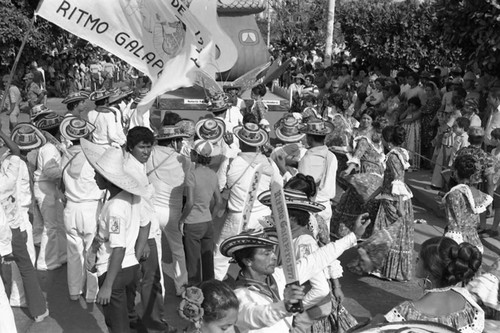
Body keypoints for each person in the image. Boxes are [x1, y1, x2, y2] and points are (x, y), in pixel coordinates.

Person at [219, 214, 370, 333]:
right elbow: (259, 316)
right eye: (266, 254)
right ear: (248, 261)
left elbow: (316, 259)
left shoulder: (278, 276)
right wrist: (286, 306)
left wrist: (353, 236)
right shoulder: (239, 296)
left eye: (272, 251)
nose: (273, 257)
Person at [259, 176, 357, 333]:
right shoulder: (290, 235)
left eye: (275, 213)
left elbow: (321, 286)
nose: (271, 216)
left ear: (289, 217)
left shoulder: (304, 240)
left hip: (309, 308)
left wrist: (294, 309)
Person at [81, 139, 150, 333]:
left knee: (117, 325)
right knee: (129, 316)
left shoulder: (114, 208)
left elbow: (118, 249)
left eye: (98, 174)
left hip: (114, 271)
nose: (94, 177)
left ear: (107, 179)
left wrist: (107, 286)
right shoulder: (132, 196)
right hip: (130, 268)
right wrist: (135, 254)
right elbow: (146, 224)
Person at [384, 237, 483, 333]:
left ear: (430, 269)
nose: (416, 261)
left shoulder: (406, 313)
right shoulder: (468, 306)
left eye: (419, 259)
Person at [1, 123, 49, 321]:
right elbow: (15, 150)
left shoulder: (7, 167)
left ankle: (13, 299)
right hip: (14, 225)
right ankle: (38, 311)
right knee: (26, 267)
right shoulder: (8, 173)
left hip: (12, 224)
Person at [123, 126, 168, 332]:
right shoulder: (132, 171)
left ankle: (135, 318)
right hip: (144, 234)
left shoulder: (136, 166)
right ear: (131, 147)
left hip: (144, 231)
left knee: (140, 280)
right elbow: (140, 208)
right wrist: (146, 241)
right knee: (150, 280)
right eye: (142, 147)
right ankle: (154, 323)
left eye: (149, 147)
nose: (146, 152)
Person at [214, 122, 272, 280]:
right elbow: (277, 188)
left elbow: (219, 185)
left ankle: (216, 288)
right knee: (261, 254)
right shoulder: (269, 163)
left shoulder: (231, 162)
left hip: (238, 216)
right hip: (264, 216)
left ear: (240, 140)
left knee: (221, 253)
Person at [361, 125, 414, 281]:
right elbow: (389, 180)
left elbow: (398, 180)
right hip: (392, 197)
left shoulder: (392, 157)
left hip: (393, 201)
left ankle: (384, 269)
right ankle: (388, 269)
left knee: (384, 233)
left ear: (387, 140)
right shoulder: (399, 154)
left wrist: (401, 207)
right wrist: (373, 195)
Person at [146, 123, 192, 296]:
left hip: (152, 209)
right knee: (178, 249)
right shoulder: (184, 161)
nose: (181, 144)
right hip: (173, 211)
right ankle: (182, 287)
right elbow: (189, 188)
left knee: (156, 252)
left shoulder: (149, 154)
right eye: (179, 140)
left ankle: (160, 290)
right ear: (173, 142)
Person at [59, 116, 102, 302]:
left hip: (71, 208)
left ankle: (74, 291)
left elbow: (59, 183)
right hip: (91, 209)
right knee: (93, 253)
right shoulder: (94, 156)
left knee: (74, 253)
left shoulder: (65, 155)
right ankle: (92, 294)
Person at [179, 140, 222, 285]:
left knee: (193, 264)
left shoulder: (191, 174)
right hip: (207, 222)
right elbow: (219, 202)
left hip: (192, 223)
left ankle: (194, 296)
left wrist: (182, 220)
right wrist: (211, 216)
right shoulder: (212, 174)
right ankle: (210, 293)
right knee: (207, 262)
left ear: (195, 155)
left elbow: (190, 202)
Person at [32, 112, 67, 271]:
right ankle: (46, 262)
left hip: (49, 187)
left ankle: (60, 255)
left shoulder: (50, 146)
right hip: (46, 187)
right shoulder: (50, 148)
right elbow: (50, 170)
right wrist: (66, 177)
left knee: (58, 224)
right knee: (51, 227)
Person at [442, 154, 492, 253]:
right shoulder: (479, 194)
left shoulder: (455, 194)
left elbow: (454, 225)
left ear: (456, 172)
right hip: (475, 243)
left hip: (459, 245)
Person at [298, 119, 338, 229]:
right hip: (326, 205)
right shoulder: (332, 156)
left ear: (310, 138)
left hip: (312, 206)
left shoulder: (308, 158)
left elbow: (304, 185)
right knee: (324, 241)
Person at [399, 96, 422, 170]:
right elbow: (401, 117)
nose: (411, 107)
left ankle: (412, 164)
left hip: (414, 129)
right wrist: (407, 111)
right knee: (404, 145)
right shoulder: (408, 111)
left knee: (412, 145)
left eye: (413, 105)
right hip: (406, 129)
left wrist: (402, 121)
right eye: (410, 105)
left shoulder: (419, 112)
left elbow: (412, 119)